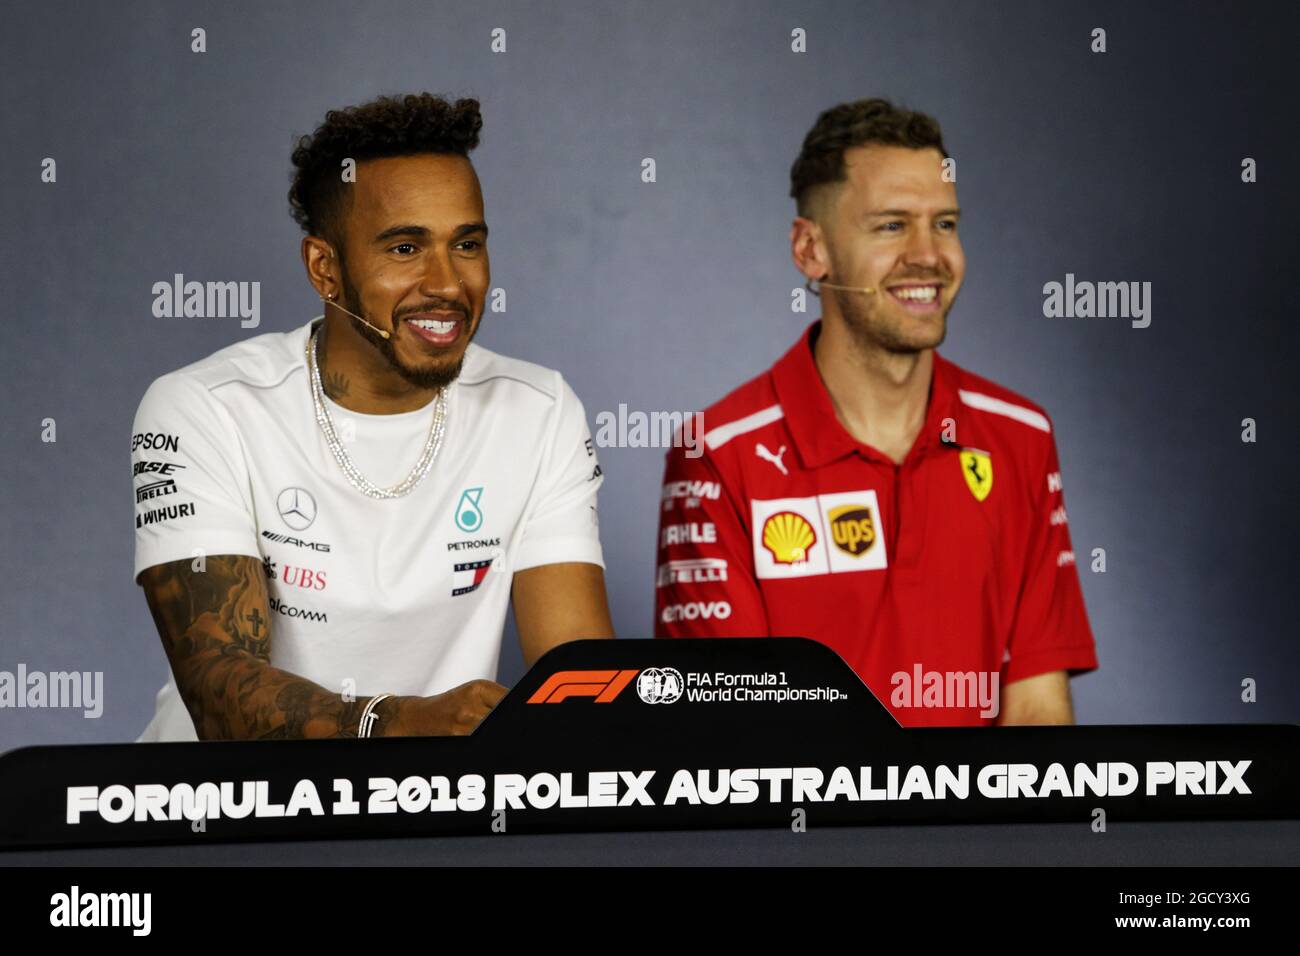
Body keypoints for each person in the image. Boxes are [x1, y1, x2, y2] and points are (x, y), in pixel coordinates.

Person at [132, 93, 613, 741]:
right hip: (217, 816)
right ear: (324, 269)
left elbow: (580, 679)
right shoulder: (206, 407)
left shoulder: (539, 409)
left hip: (424, 813)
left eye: (466, 243)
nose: (447, 282)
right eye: (406, 248)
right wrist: (395, 724)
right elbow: (220, 691)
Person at [654, 98, 1097, 727]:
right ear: (811, 250)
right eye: (892, 225)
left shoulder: (1020, 438)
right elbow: (731, 744)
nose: (929, 255)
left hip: (980, 828)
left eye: (944, 224)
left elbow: (1036, 715)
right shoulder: (717, 454)